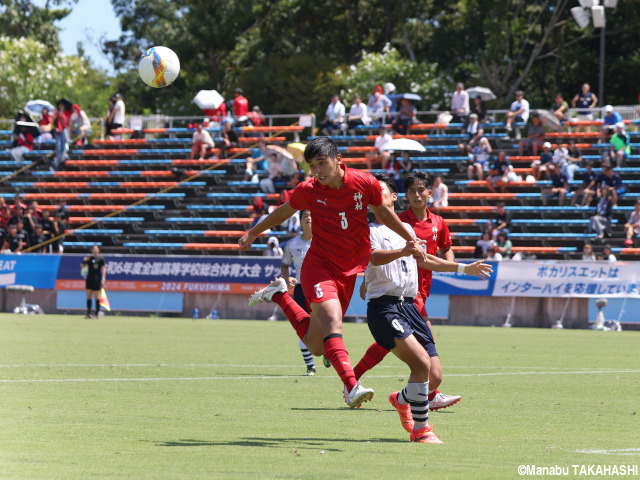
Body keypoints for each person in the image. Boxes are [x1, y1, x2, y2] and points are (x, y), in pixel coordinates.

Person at [242, 137, 427, 409]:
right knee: (332, 321)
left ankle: (280, 296)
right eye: (312, 165)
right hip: (318, 266)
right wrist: (253, 232)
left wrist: (407, 239)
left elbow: (384, 213)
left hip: (348, 270)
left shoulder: (364, 183)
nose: (317, 171)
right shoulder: (309, 190)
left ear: (338, 159)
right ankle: (352, 386)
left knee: (317, 345)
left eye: (322, 163)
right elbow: (283, 212)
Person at [359, 173, 492, 443]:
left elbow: (427, 259)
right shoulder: (368, 230)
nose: (376, 197)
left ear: (392, 197)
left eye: (381, 192)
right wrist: (402, 252)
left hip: (410, 307)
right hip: (385, 307)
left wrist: (465, 268)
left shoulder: (407, 232)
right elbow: (371, 256)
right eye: (372, 195)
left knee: (434, 373)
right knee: (420, 364)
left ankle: (401, 398)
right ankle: (422, 431)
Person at [353, 171, 461, 412]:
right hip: (396, 299)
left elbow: (438, 253)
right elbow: (372, 257)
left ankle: (388, 392)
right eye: (411, 190)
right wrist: (366, 280)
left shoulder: (428, 224)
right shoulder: (390, 225)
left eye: (420, 190)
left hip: (414, 294)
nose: (416, 195)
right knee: (418, 356)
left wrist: (459, 267)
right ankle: (423, 410)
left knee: (421, 363)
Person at [281, 210, 316, 376]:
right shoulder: (292, 244)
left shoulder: (323, 241)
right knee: (302, 327)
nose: (308, 218)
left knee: (325, 323)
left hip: (320, 288)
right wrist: (288, 278)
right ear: (300, 221)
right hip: (301, 289)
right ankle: (310, 366)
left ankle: (328, 352)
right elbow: (285, 265)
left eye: (311, 215)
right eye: (304, 216)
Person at [81, 245, 106, 319]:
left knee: (97, 297)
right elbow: (82, 266)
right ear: (92, 250)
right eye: (93, 249)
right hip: (89, 279)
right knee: (88, 296)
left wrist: (103, 278)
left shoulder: (100, 259)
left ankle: (96, 313)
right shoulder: (89, 259)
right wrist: (84, 261)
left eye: (96, 249)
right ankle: (88, 313)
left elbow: (104, 269)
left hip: (97, 279)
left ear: (98, 250)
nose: (95, 250)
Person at [52, 102, 69, 170]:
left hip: (63, 134)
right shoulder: (56, 119)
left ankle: (62, 159)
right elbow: (54, 126)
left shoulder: (65, 118)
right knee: (58, 147)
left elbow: (67, 126)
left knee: (63, 147)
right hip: (58, 134)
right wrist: (57, 129)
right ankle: (58, 162)